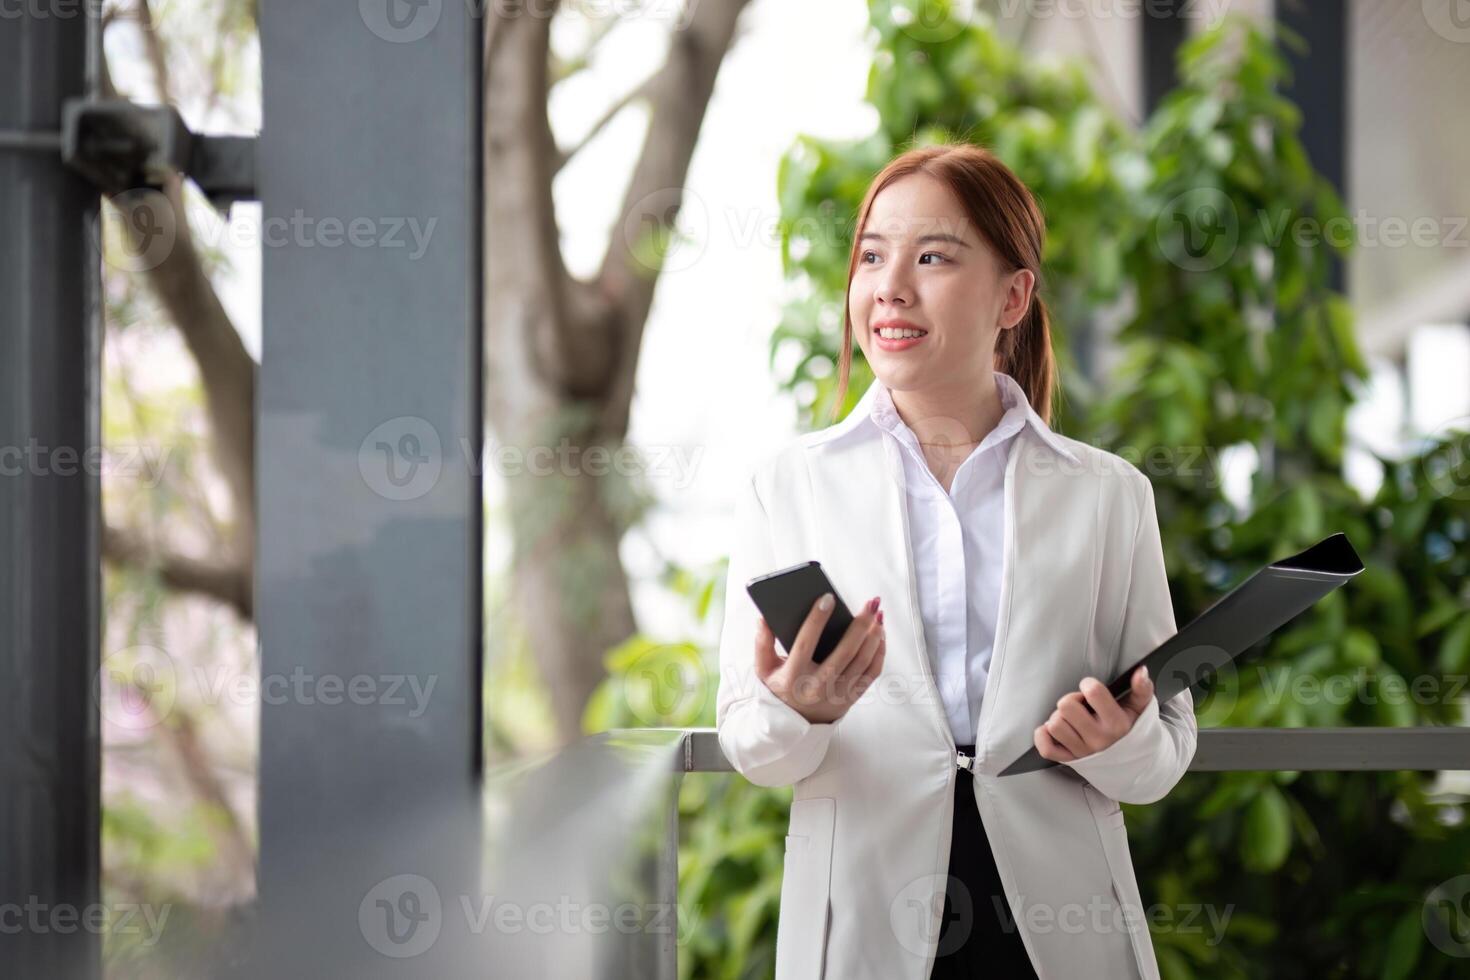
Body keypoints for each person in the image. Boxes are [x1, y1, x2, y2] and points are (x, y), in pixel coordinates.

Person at [715, 143, 1198, 979]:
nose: (889, 287)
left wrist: (1114, 741)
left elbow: (1165, 753)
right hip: (865, 920)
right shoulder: (786, 488)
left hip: (1057, 921)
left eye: (932, 256)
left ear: (1013, 296)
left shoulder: (1108, 496)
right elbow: (751, 746)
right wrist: (798, 710)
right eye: (872, 256)